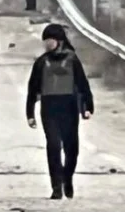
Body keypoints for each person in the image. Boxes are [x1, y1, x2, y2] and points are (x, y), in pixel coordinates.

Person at [25, 23, 94, 200]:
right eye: (45, 41)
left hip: (69, 107)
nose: (47, 44)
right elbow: (32, 89)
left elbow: (82, 84)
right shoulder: (41, 62)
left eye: (50, 40)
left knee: (72, 149)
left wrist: (88, 106)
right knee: (54, 146)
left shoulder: (72, 60)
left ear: (60, 41)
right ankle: (56, 186)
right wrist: (30, 114)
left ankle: (67, 177)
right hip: (49, 108)